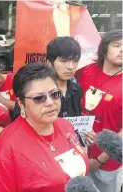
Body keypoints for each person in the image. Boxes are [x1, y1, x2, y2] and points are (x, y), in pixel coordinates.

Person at [0, 62, 89, 191]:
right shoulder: (7, 148)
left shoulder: (66, 126)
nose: (50, 103)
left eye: (54, 94)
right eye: (39, 98)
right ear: (21, 103)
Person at [75, 29, 122, 192]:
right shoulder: (87, 70)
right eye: (117, 45)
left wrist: (100, 160)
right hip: (77, 155)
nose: (122, 50)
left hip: (105, 164)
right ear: (104, 48)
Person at [13, 37, 82, 120]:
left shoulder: (77, 90)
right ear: (49, 63)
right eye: (64, 61)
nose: (71, 67)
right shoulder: (34, 91)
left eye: (75, 61)